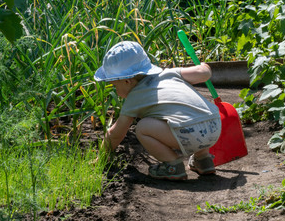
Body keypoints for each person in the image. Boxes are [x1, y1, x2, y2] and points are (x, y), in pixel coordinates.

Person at [94, 41, 221, 180]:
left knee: (142, 128)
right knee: (188, 114)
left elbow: (115, 133)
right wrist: (204, 66)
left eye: (114, 85)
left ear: (127, 81)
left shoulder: (134, 98)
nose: (115, 90)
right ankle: (203, 160)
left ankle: (173, 166)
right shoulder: (169, 73)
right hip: (214, 124)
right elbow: (203, 73)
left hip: (189, 133)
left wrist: (102, 157)